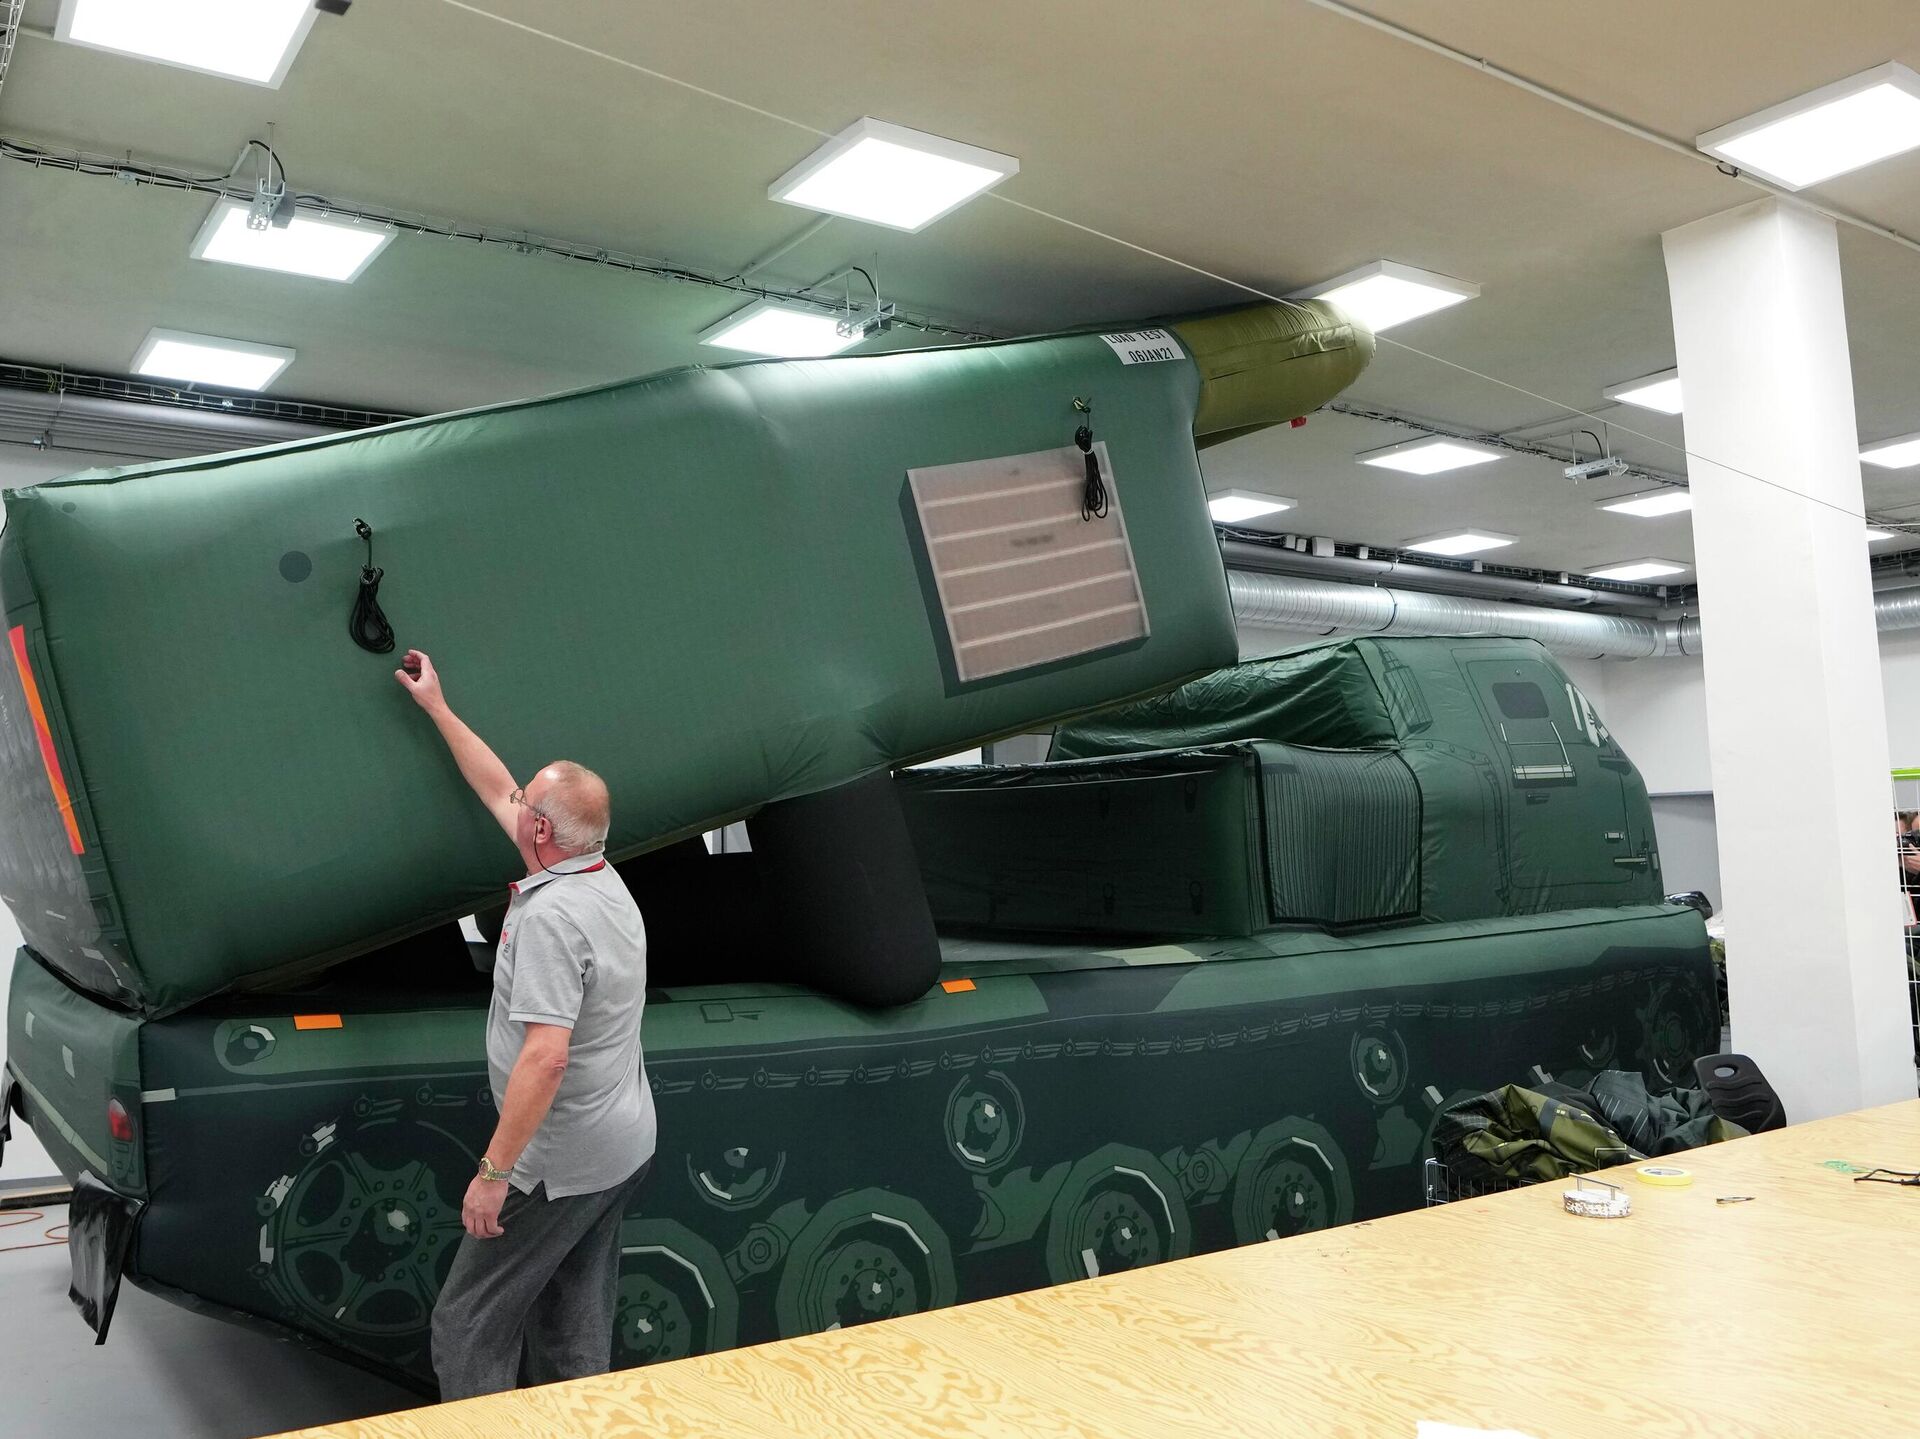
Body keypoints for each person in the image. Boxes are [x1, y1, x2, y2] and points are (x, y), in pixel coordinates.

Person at [394, 647, 654, 1399]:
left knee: (468, 1324)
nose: (515, 800)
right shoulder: (598, 874)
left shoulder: (553, 918)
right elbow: (497, 786)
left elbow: (546, 1058)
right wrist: (438, 707)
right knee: (571, 1321)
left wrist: (494, 1174)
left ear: (542, 830)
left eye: (528, 803)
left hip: (558, 1163)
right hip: (620, 1146)